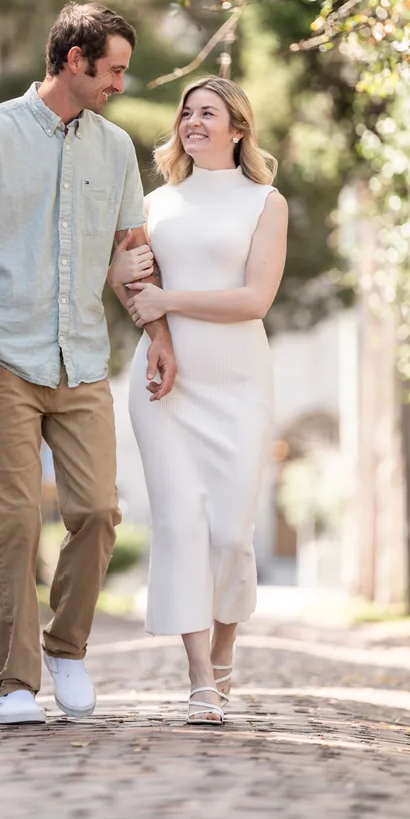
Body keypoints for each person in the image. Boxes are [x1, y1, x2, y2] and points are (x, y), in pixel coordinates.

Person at [0, 2, 176, 726]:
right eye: (114, 70)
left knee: (98, 511)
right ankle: (14, 683)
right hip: (3, 353)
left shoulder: (114, 149)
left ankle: (66, 646)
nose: (121, 85)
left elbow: (132, 254)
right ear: (75, 61)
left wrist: (157, 334)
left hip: (82, 361)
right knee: (13, 522)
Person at [108, 77, 287, 725]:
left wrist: (171, 301)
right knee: (181, 523)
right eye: (187, 112)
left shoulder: (266, 203)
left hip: (240, 383)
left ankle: (225, 649)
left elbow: (255, 301)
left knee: (231, 534)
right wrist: (155, 328)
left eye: (207, 113)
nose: (193, 122)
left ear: (238, 128)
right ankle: (198, 679)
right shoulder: (156, 203)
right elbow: (126, 275)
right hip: (167, 386)